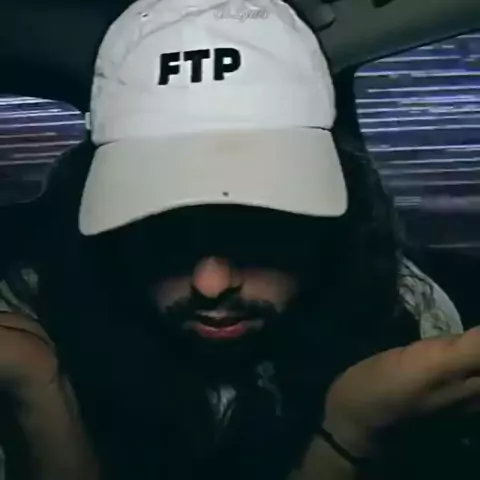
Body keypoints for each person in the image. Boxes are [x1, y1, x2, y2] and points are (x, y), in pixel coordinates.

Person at [0, 0, 479, 479]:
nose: (211, 284)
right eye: (165, 232)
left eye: (257, 231)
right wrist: (44, 397)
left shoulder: (404, 313)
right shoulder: (34, 313)